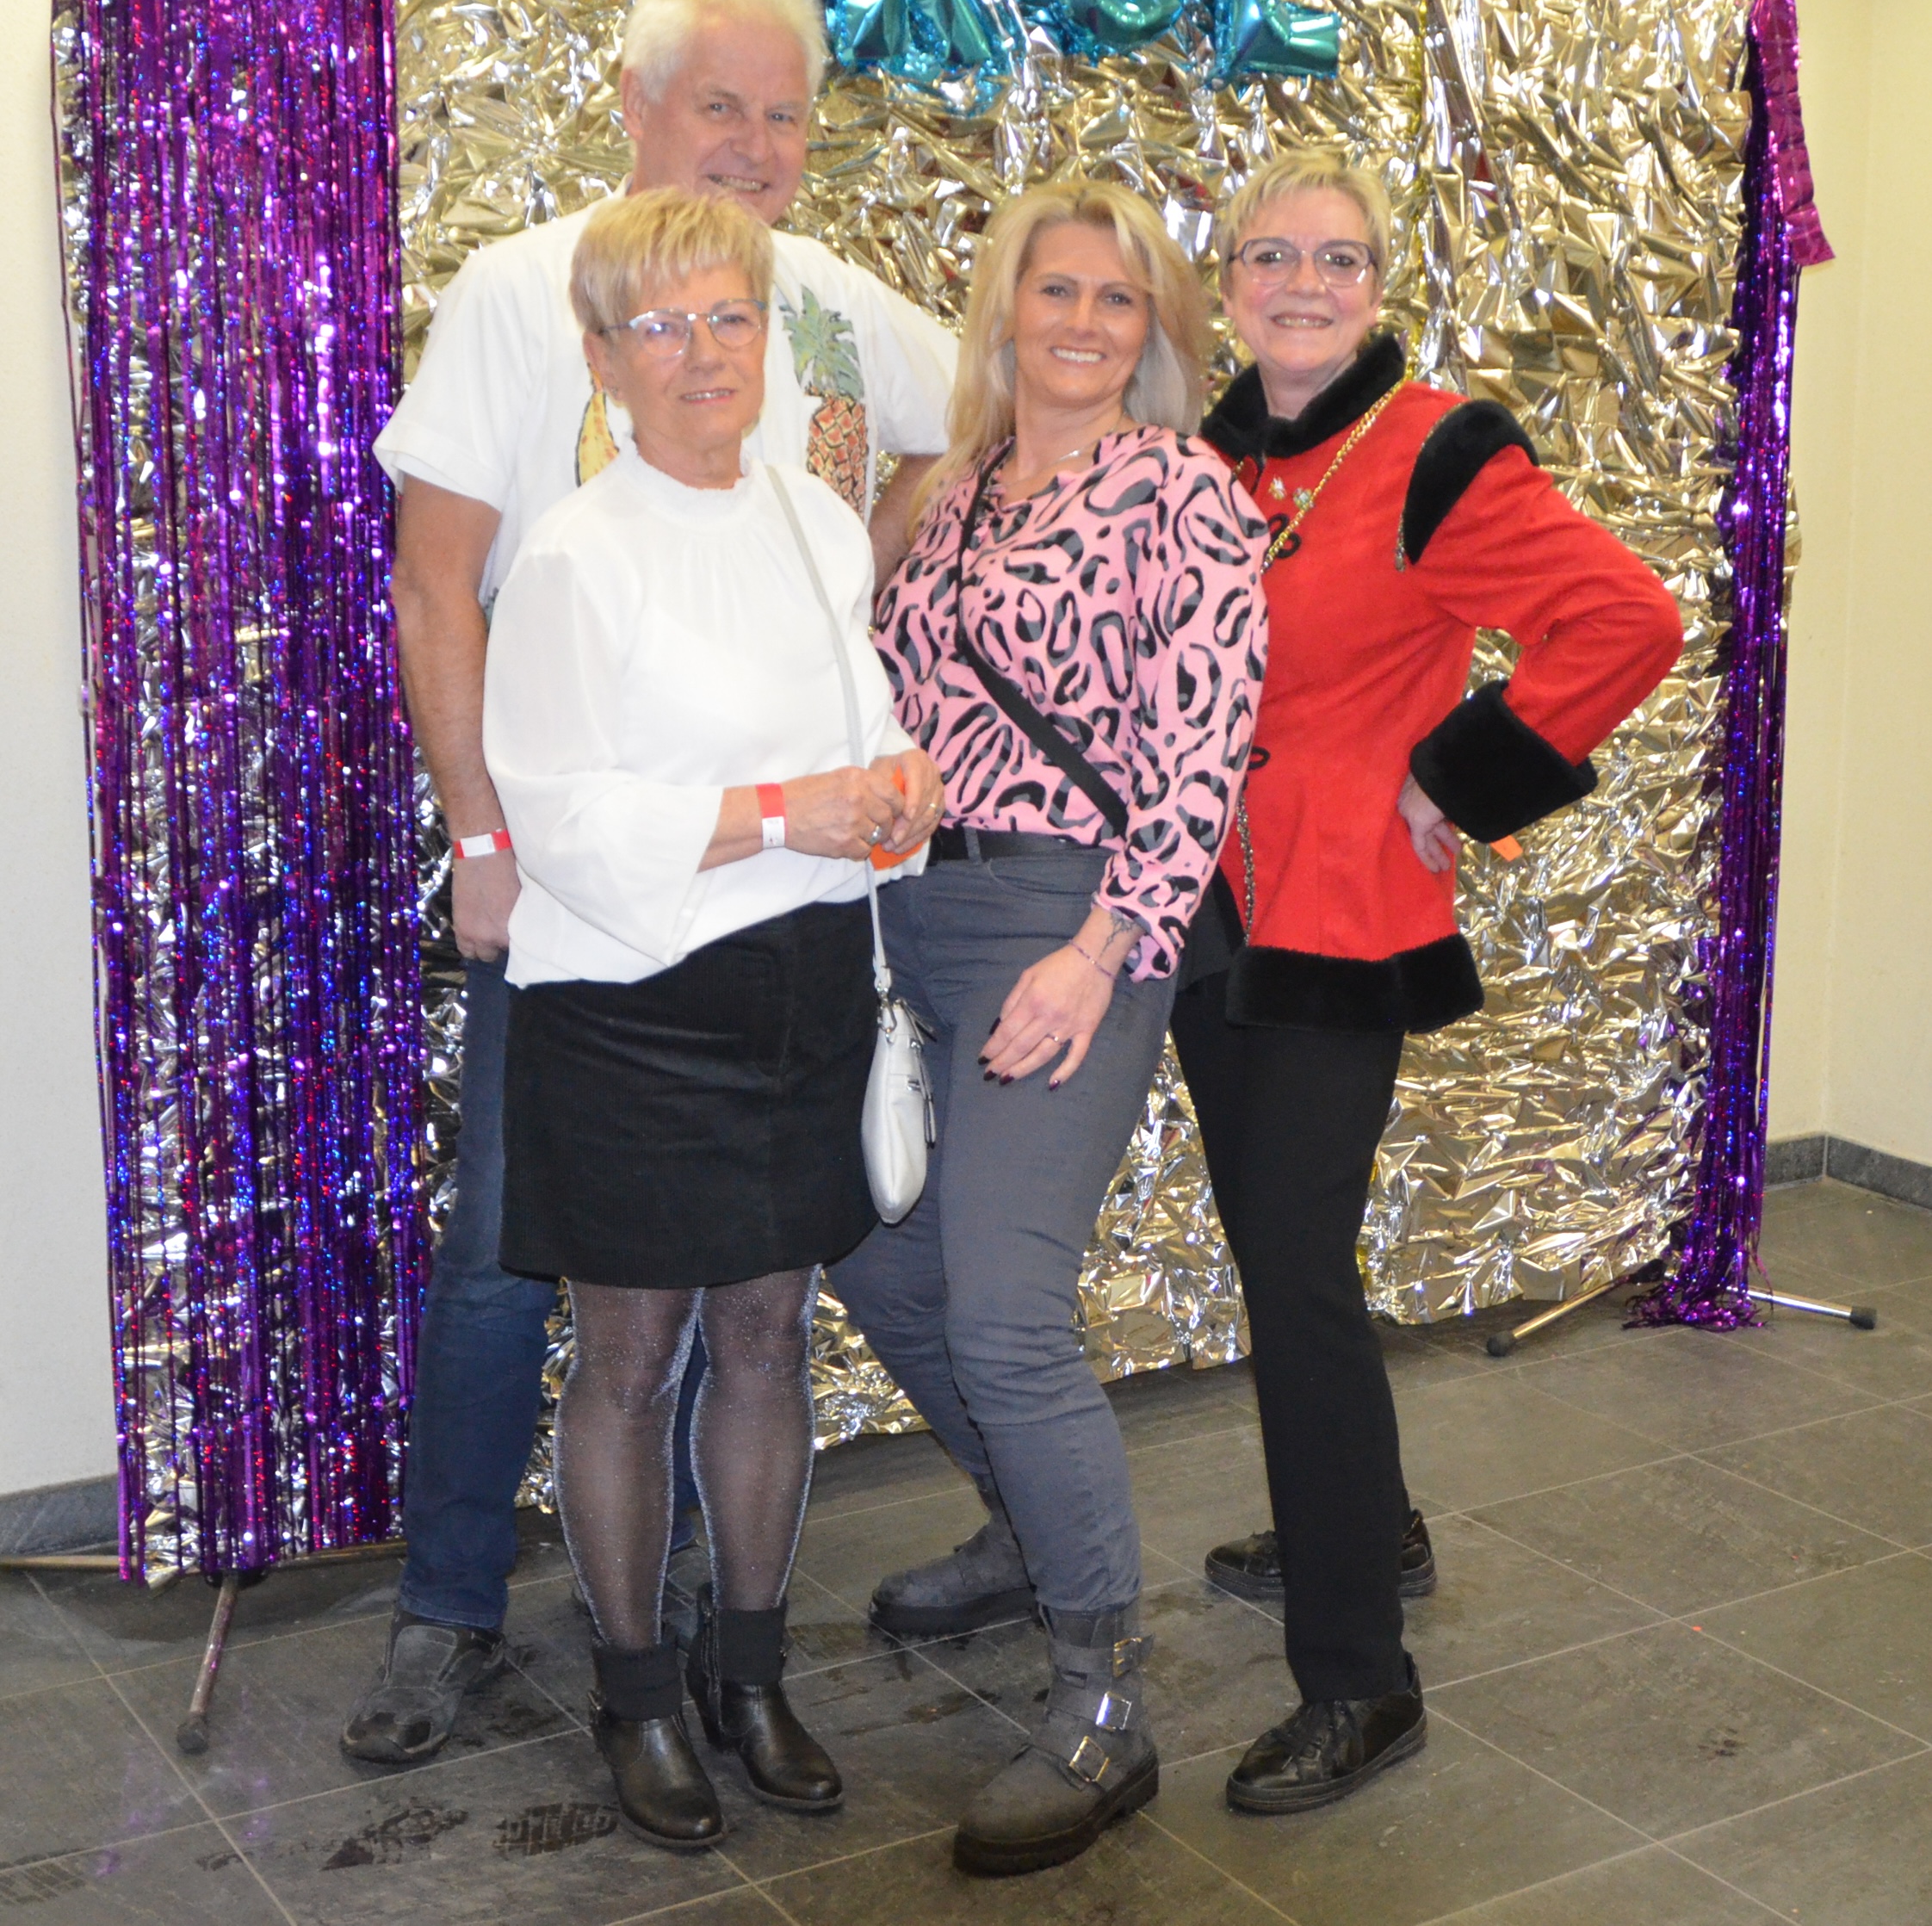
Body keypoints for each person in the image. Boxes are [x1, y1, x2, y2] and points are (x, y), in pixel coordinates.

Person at [346, 0, 957, 1767]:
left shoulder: (823, 323)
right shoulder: (522, 296)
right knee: (518, 1271)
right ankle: (458, 1611)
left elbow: (969, 412)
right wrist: (482, 834)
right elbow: (435, 582)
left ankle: (713, 1640)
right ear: (636, 107)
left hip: (787, 944)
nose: (755, 143)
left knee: (753, 1321)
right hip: (594, 912)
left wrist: (874, 730)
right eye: (720, 106)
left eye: (785, 114)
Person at [1167, 148, 1683, 1815]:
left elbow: (1626, 620)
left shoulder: (1436, 449)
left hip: (1338, 918)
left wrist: (1453, 774)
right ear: (1228, 281)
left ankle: (1358, 1677)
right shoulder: (1203, 454)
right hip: (1205, 912)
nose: (1303, 285)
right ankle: (1368, 1525)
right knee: (1279, 1253)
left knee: (1295, 1272)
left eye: (1338, 258)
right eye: (1271, 255)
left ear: (1379, 284)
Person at [482, 187, 944, 1847]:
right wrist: (780, 811)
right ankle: (636, 1689)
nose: (700, 352)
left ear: (767, 337)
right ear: (603, 356)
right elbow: (560, 817)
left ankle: (750, 1672)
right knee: (629, 1360)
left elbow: (862, 724)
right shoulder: (571, 553)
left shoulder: (819, 521)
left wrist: (899, 783)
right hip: (633, 1006)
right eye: (659, 325)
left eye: (728, 316)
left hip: (803, 984)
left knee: (766, 1341)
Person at [834, 181, 1271, 1876]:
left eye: (1118, 297)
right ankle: (1029, 1524)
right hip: (914, 914)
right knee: (879, 1255)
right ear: (1005, 309)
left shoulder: (1183, 489)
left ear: (1153, 330)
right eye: (1057, 289)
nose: (1083, 321)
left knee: (1006, 1307)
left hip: (1070, 920)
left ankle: (1103, 1695)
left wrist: (1102, 950)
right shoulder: (948, 491)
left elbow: (1203, 751)